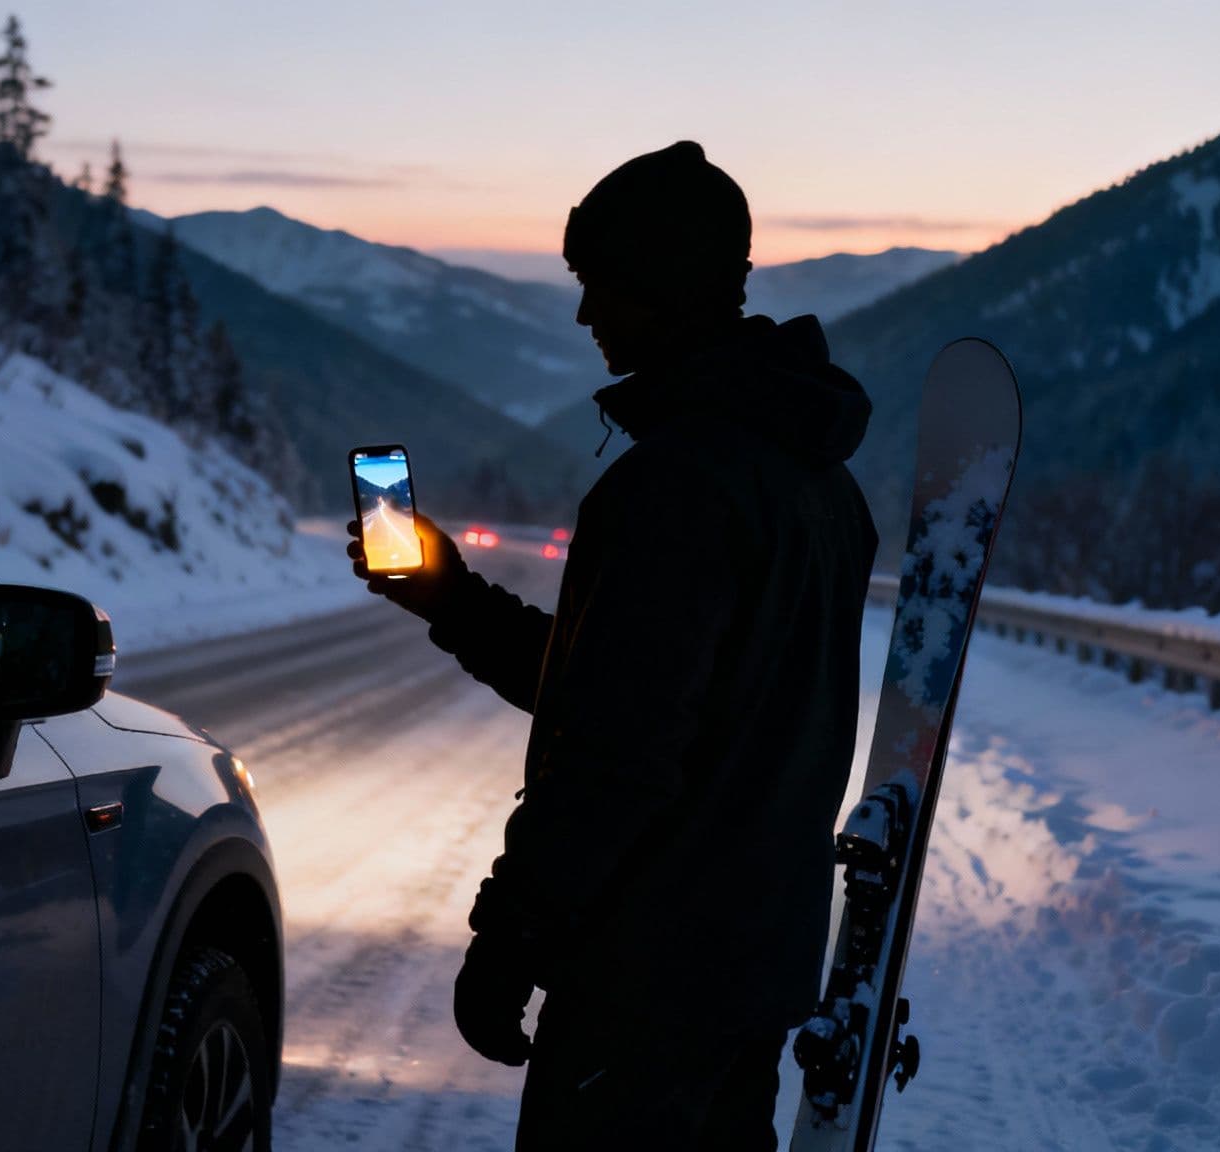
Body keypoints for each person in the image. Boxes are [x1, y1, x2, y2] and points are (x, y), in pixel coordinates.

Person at [348, 140, 878, 1150]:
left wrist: (511, 935)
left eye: (602, 287)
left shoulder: (676, 486)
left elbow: (615, 754)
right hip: (752, 969)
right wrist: (448, 598)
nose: (586, 315)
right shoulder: (817, 486)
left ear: (670, 283)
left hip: (647, 984)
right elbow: (627, 693)